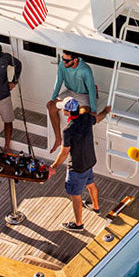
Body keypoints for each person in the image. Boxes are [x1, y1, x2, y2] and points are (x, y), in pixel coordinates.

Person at [48, 97, 110, 231]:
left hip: (76, 167)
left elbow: (64, 153)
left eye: (63, 108)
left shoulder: (68, 130)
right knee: (90, 184)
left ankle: (78, 224)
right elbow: (99, 118)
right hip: (89, 162)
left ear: (67, 112)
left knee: (76, 196)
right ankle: (96, 207)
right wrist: (106, 110)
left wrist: (53, 167)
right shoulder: (86, 117)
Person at [48, 50, 106, 148]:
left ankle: (77, 143)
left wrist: (93, 109)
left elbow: (91, 89)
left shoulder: (85, 70)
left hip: (84, 95)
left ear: (75, 60)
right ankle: (58, 139)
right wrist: (53, 98)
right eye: (63, 59)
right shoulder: (62, 66)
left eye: (66, 60)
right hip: (70, 92)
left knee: (83, 116)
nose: (64, 62)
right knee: (51, 107)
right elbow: (58, 82)